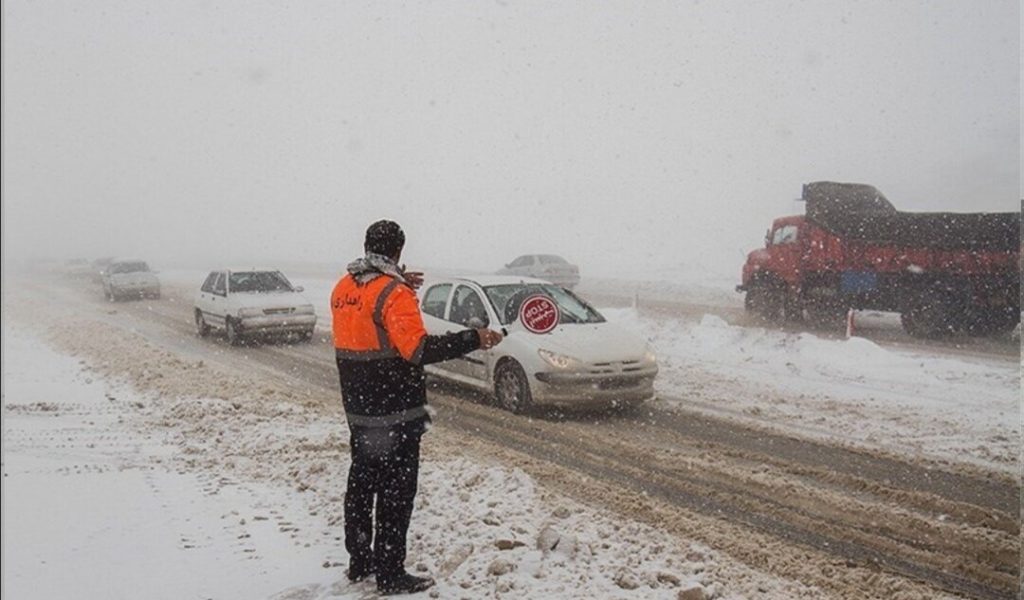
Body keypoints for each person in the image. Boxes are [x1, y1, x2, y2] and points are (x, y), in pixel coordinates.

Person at [331, 220, 503, 595]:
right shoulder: (394, 293)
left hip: (359, 408)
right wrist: (474, 338)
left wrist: (397, 280)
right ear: (397, 251)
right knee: (395, 492)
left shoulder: (344, 287)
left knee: (361, 485)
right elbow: (418, 350)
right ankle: (391, 573)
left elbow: (367, 320)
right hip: (395, 410)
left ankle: (359, 561)